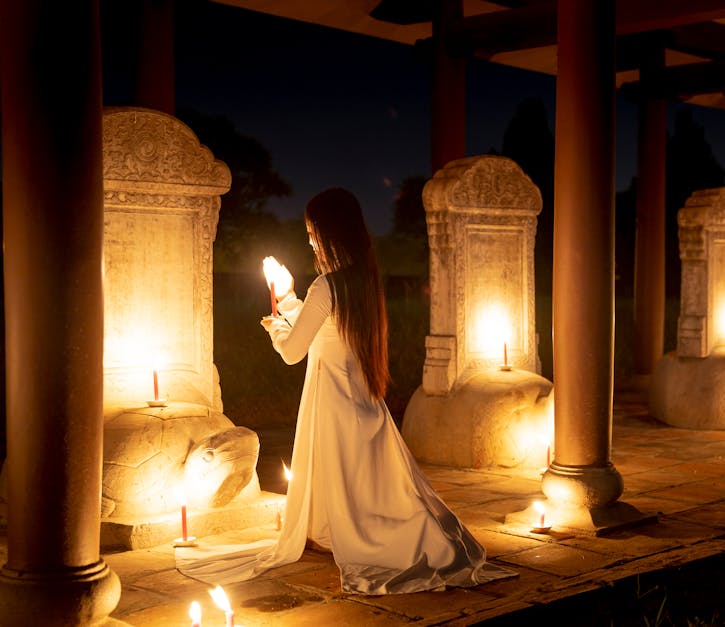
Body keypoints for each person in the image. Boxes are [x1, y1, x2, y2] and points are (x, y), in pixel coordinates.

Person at [176, 188, 515, 594]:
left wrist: (276, 328)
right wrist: (287, 298)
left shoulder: (327, 285)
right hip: (362, 399)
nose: (308, 240)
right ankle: (336, 529)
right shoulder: (364, 281)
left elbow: (293, 351)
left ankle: (351, 537)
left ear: (327, 233)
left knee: (341, 471)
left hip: (332, 401)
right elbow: (329, 330)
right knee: (364, 481)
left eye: (311, 231)